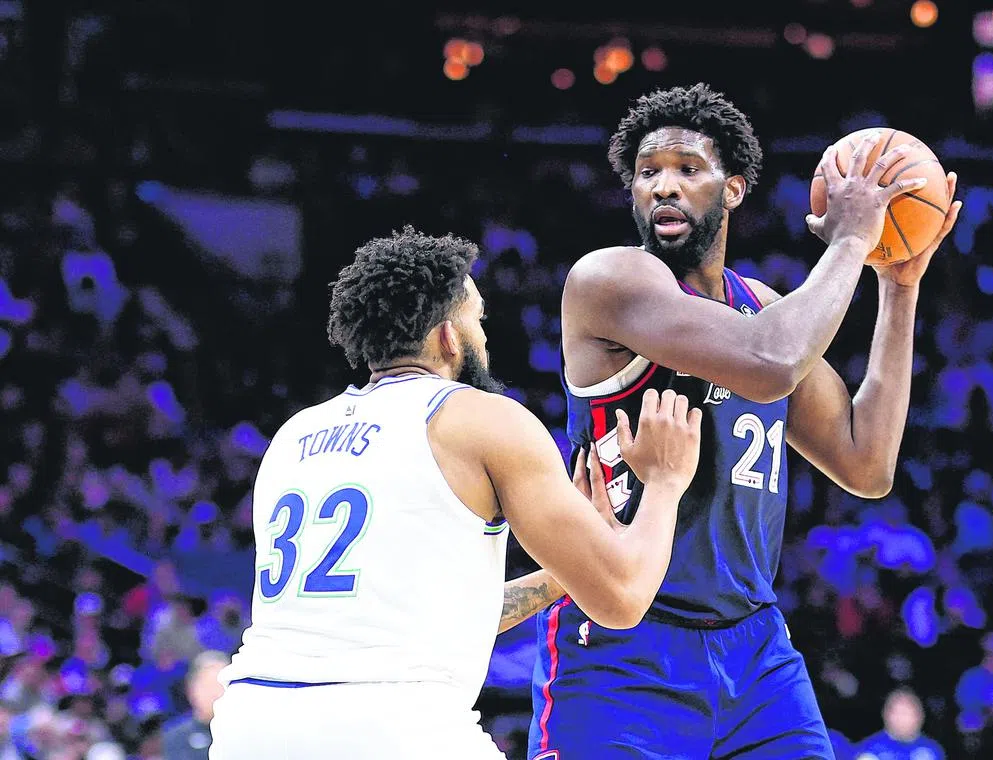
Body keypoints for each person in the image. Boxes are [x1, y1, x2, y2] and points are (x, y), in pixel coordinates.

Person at [529, 83, 962, 759]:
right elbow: (771, 362)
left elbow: (866, 461)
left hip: (754, 650)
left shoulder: (760, 306)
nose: (664, 186)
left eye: (688, 169)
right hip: (625, 645)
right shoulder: (608, 281)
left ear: (732, 189)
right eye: (648, 173)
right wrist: (853, 239)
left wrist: (897, 286)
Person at [209, 226, 702, 759]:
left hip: (250, 723)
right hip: (391, 723)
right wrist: (665, 482)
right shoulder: (479, 418)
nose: (484, 339)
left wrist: (567, 571)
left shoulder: (294, 435)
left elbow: (431, 622)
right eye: (478, 320)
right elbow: (623, 600)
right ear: (448, 336)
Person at [161, 650, 229, 760]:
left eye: (220, 686)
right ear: (191, 689)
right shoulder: (176, 735)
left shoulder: (247, 731)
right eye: (208, 685)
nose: (215, 693)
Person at [854, 688, 946, 760]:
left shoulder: (933, 750)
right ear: (885, 715)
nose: (901, 719)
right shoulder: (869, 750)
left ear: (920, 716)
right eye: (896, 712)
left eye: (907, 713)